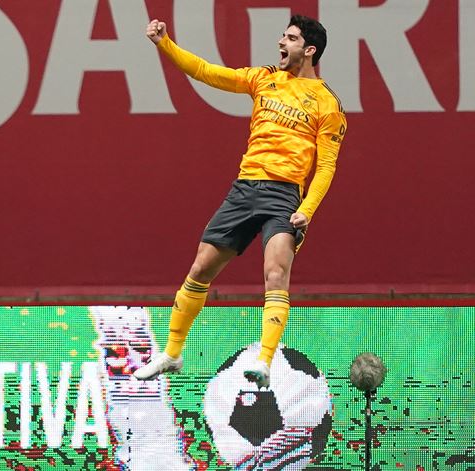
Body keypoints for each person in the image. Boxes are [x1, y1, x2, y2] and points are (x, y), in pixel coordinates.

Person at [133, 15, 346, 389]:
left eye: (291, 38)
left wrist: (305, 210)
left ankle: (264, 362)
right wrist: (164, 43)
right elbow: (206, 72)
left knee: (276, 274)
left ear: (309, 50)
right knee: (200, 268)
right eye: (283, 35)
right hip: (245, 189)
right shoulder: (263, 78)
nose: (282, 42)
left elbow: (326, 167)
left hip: (284, 197)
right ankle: (172, 352)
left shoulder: (327, 104)